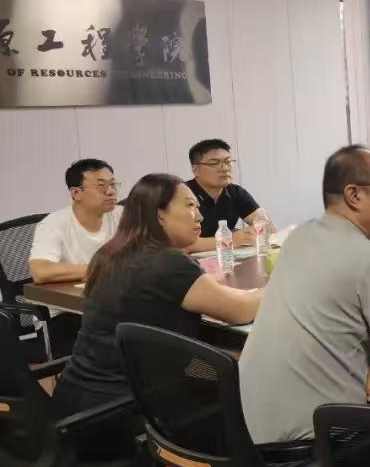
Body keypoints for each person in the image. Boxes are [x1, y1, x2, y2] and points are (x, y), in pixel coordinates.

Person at [238, 145, 370, 465]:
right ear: (354, 195)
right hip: (309, 451)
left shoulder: (300, 237)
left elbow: (336, 321)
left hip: (246, 440)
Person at [54, 173, 263, 420]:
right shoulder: (166, 262)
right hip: (129, 409)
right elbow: (239, 311)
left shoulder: (109, 255)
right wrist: (276, 288)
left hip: (79, 399)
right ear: (159, 215)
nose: (200, 216)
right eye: (190, 206)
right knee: (252, 380)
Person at [29, 159, 123, 284]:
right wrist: (101, 270)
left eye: (113, 184)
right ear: (76, 193)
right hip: (73, 293)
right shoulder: (52, 224)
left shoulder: (123, 215)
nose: (111, 191)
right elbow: (40, 271)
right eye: (101, 186)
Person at [185, 138, 273, 252]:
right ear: (195, 170)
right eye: (214, 163)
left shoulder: (236, 192)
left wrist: (252, 233)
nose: (224, 168)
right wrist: (229, 239)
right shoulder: (182, 194)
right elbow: (178, 244)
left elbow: (267, 226)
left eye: (228, 162)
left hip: (227, 257)